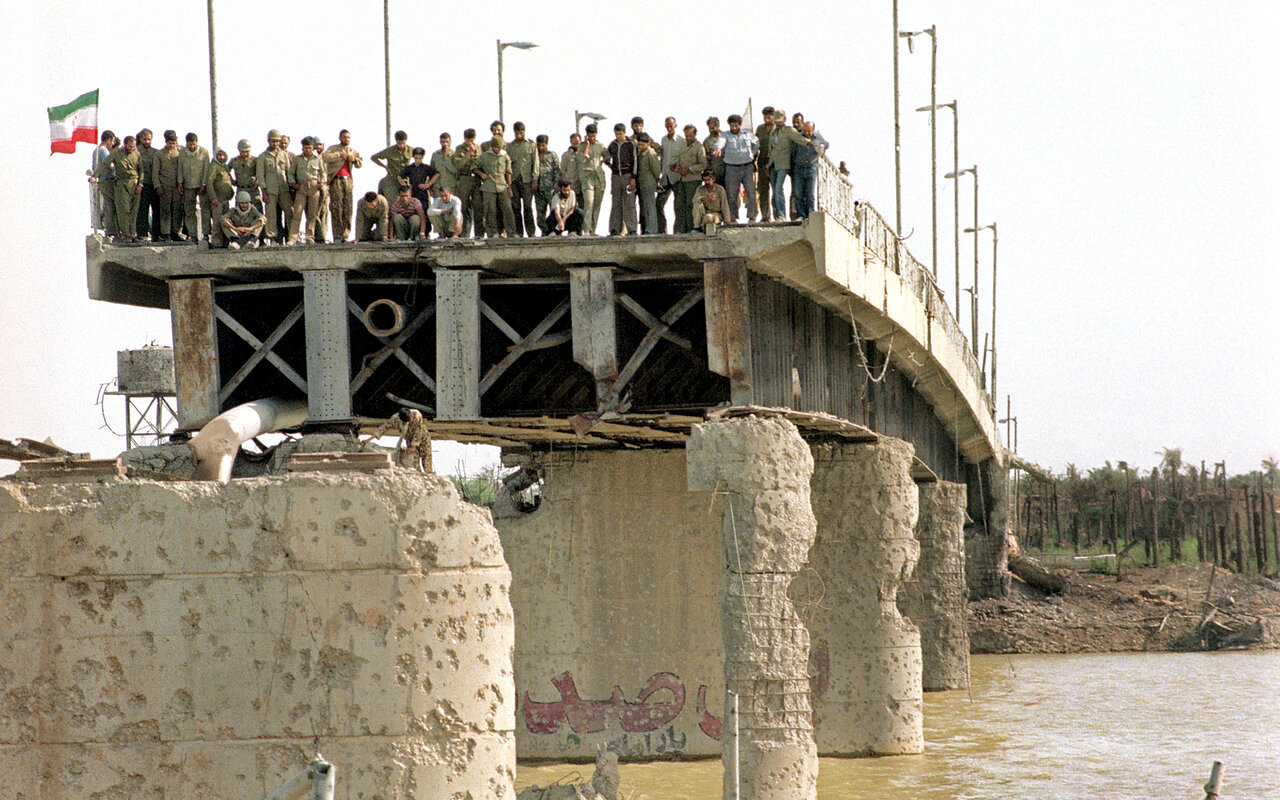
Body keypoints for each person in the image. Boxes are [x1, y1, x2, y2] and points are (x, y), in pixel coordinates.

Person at [89, 134, 141, 242]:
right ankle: (126, 234)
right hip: (122, 183)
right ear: (125, 145)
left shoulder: (136, 154)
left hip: (135, 183)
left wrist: (140, 184)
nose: (132, 149)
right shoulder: (117, 153)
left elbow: (141, 170)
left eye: (133, 147)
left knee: (134, 210)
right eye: (130, 147)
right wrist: (95, 176)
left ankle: (132, 233)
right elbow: (104, 164)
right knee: (124, 210)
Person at [767, 110, 813, 221]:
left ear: (784, 120)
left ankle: (781, 214)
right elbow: (771, 149)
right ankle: (778, 214)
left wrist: (808, 143)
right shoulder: (773, 132)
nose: (778, 123)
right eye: (776, 121)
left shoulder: (788, 131)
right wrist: (767, 165)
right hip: (773, 163)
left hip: (783, 163)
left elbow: (799, 138)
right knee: (774, 189)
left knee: (778, 187)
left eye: (780, 120)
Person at [322, 129, 361, 242]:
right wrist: (340, 155)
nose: (346, 139)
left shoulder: (352, 150)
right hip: (336, 180)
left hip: (348, 180)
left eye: (348, 137)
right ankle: (337, 236)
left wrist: (354, 159)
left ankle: (345, 235)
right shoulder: (333, 149)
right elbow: (325, 157)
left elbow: (360, 163)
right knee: (336, 208)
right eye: (344, 137)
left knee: (348, 208)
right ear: (340, 138)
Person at [366, 408, 432, 473]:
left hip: (423, 437)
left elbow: (419, 430)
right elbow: (384, 428)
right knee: (413, 460)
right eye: (404, 422)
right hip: (409, 438)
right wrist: (368, 439)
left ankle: (429, 475)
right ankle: (418, 475)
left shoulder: (416, 415)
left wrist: (413, 446)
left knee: (426, 458)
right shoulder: (395, 419)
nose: (406, 423)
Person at [256, 130, 292, 245]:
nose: (276, 143)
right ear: (268, 141)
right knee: (271, 215)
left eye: (277, 141)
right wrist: (264, 192)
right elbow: (260, 176)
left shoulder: (283, 154)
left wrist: (291, 187)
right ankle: (272, 238)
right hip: (270, 191)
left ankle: (292, 237)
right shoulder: (263, 157)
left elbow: (288, 171)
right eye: (273, 141)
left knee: (290, 213)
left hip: (284, 189)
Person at [287, 136, 325, 245]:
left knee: (312, 214)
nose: (307, 150)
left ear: (313, 148)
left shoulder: (318, 159)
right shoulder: (297, 159)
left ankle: (310, 237)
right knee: (297, 213)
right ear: (302, 148)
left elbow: (323, 173)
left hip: (314, 188)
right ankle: (293, 238)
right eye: (305, 147)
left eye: (309, 148)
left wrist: (321, 183)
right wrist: (293, 184)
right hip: (301, 188)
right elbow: (291, 173)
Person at [721, 114, 759, 223]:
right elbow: (720, 142)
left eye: (736, 126)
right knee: (732, 194)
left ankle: (752, 217)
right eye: (732, 126)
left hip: (747, 167)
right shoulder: (726, 135)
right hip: (732, 168)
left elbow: (756, 143)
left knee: (751, 192)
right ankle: (733, 218)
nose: (734, 128)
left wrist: (751, 154)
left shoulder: (747, 134)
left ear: (740, 125)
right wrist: (718, 148)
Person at [476, 136, 516, 237]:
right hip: (489, 186)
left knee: (507, 209)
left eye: (499, 147)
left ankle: (511, 232)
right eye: (495, 147)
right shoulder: (485, 156)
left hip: (502, 186)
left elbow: (508, 172)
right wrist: (481, 174)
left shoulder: (505, 156)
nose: (497, 149)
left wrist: (509, 187)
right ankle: (492, 233)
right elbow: (474, 166)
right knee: (490, 210)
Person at [672, 124, 707, 234]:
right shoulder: (683, 146)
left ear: (695, 135)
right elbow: (680, 160)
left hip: (693, 180)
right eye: (686, 136)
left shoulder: (699, 147)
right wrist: (677, 167)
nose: (688, 138)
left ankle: (692, 228)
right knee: (679, 205)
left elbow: (703, 164)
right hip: (682, 180)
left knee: (691, 205)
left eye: (690, 136)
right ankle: (680, 230)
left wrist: (689, 169)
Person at [791, 121, 829, 220]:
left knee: (810, 193)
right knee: (798, 193)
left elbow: (826, 144)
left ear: (813, 130)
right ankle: (801, 215)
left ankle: (810, 214)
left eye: (809, 131)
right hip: (799, 167)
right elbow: (793, 151)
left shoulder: (817, 136)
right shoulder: (799, 137)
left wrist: (822, 147)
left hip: (811, 167)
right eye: (805, 131)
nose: (807, 133)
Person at [605, 123, 638, 236]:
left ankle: (632, 229)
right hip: (615, 177)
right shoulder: (613, 145)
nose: (618, 136)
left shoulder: (630, 144)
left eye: (620, 134)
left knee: (629, 204)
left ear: (624, 133)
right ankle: (614, 228)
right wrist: (609, 165)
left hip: (627, 176)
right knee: (616, 203)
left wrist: (633, 177)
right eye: (616, 134)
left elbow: (635, 161)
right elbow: (606, 155)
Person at [177, 132, 210, 241]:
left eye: (194, 144)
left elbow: (206, 169)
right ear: (187, 143)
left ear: (197, 142)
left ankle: (206, 234)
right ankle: (193, 235)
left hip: (201, 185)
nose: (192, 146)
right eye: (190, 144)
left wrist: (204, 183)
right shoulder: (182, 153)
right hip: (188, 185)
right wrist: (180, 182)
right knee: (189, 211)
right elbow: (180, 168)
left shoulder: (204, 152)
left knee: (204, 209)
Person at [451, 128, 484, 237]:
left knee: (478, 207)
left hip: (476, 179)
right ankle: (463, 234)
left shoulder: (479, 148)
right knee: (463, 207)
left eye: (471, 139)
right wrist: (468, 153)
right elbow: (459, 165)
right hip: (465, 178)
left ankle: (479, 234)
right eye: (467, 139)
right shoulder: (459, 149)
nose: (469, 141)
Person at [576, 123, 607, 235]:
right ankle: (586, 230)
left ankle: (593, 229)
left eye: (594, 136)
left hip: (598, 178)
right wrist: (587, 145)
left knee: (597, 205)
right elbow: (582, 158)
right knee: (588, 203)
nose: (592, 138)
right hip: (587, 178)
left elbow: (607, 155)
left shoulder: (600, 145)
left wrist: (603, 161)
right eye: (590, 136)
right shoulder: (581, 146)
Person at [507, 122, 537, 237]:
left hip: (527, 180)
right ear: (514, 132)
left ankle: (531, 232)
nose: (519, 135)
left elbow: (536, 163)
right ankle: (519, 232)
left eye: (521, 132)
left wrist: (535, 179)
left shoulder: (531, 145)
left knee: (528, 207)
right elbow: (508, 165)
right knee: (515, 207)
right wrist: (508, 183)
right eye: (517, 133)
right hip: (514, 180)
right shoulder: (510, 147)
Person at [151, 130, 181, 241]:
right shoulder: (159, 154)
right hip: (165, 186)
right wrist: (157, 186)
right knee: (165, 211)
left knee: (177, 210)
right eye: (170, 143)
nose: (172, 145)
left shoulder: (179, 153)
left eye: (174, 143)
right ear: (166, 142)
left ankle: (175, 232)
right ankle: (165, 233)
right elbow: (155, 172)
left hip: (177, 187)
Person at [656, 116, 684, 233]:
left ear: (675, 126)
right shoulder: (664, 140)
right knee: (658, 204)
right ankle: (662, 230)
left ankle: (678, 230)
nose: (669, 128)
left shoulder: (681, 140)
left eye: (671, 126)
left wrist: (678, 165)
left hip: (677, 177)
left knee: (678, 206)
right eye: (667, 126)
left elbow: (684, 157)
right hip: (665, 178)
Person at [371, 130, 413, 203]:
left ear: (406, 141)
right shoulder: (390, 150)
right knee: (392, 201)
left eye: (403, 143)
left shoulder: (411, 150)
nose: (401, 146)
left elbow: (418, 158)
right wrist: (385, 167)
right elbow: (373, 157)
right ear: (396, 141)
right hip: (392, 178)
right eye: (399, 143)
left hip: (405, 179)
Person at [206, 148, 236, 246]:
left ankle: (226, 241)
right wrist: (213, 197)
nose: (221, 157)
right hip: (217, 200)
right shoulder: (214, 166)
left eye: (223, 155)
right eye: (219, 155)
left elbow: (229, 180)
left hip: (225, 200)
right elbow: (209, 182)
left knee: (226, 221)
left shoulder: (225, 167)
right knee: (217, 222)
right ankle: (216, 242)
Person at [532, 134, 560, 236]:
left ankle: (554, 230)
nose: (541, 148)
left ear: (546, 144)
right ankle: (544, 230)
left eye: (543, 145)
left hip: (550, 189)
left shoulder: (552, 155)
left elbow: (557, 171)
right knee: (540, 213)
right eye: (539, 145)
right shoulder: (534, 155)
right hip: (538, 189)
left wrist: (557, 185)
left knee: (554, 211)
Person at [634, 133, 662, 235]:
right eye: (639, 145)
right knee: (645, 207)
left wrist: (656, 181)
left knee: (650, 207)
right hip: (642, 184)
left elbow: (656, 170)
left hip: (649, 184)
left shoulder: (651, 153)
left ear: (648, 144)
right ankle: (647, 228)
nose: (640, 147)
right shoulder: (641, 154)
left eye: (642, 145)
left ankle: (652, 229)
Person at [91, 130, 117, 237]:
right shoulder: (103, 150)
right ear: (109, 140)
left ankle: (110, 230)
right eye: (113, 141)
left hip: (101, 181)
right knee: (113, 206)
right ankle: (114, 230)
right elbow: (110, 166)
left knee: (108, 206)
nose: (113, 144)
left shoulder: (95, 151)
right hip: (108, 181)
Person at [134, 129, 159, 240]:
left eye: (149, 139)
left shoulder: (156, 153)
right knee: (142, 210)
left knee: (156, 210)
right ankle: (142, 234)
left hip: (154, 185)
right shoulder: (136, 152)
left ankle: (156, 234)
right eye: (145, 139)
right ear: (140, 139)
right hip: (142, 185)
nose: (147, 141)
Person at [754, 105, 776, 222]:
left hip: (774, 164)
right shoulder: (760, 129)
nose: (767, 117)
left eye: (769, 114)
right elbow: (756, 146)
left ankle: (778, 215)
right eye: (765, 115)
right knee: (763, 191)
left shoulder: (777, 128)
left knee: (776, 190)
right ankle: (765, 216)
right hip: (762, 163)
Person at [400, 147, 437, 213]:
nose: (418, 160)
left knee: (424, 212)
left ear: (422, 157)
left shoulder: (425, 167)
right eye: (416, 158)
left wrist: (428, 185)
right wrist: (406, 187)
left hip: (423, 194)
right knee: (413, 212)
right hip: (413, 193)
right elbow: (399, 177)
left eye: (420, 158)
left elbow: (436, 174)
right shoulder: (410, 168)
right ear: (413, 157)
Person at [229, 139, 260, 213]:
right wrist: (231, 180)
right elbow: (225, 170)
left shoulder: (255, 160)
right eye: (243, 151)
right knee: (239, 212)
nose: (246, 153)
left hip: (253, 190)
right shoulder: (234, 161)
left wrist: (258, 182)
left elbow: (261, 172)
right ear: (239, 150)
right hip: (241, 189)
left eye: (247, 151)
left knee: (257, 211)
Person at [430, 132, 457, 197]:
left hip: (450, 187)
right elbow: (431, 171)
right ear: (440, 142)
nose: (445, 144)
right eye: (443, 142)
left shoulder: (455, 154)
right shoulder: (435, 155)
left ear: (450, 141)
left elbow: (455, 171)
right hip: (438, 187)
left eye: (447, 142)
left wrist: (446, 157)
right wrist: (430, 187)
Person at [560, 133, 582, 210]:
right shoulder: (566, 155)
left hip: (582, 186)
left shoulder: (583, 153)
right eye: (573, 143)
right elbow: (563, 171)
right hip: (572, 187)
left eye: (577, 143)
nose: (575, 145)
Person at [703, 117, 727, 186]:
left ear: (718, 126)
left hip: (728, 171)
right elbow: (707, 159)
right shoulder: (707, 142)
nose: (711, 130)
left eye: (713, 128)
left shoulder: (726, 137)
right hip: (716, 173)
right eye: (709, 128)